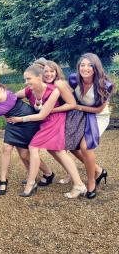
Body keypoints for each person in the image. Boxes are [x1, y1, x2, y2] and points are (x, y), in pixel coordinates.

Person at [7, 65, 86, 198]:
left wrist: (19, 119)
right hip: (44, 122)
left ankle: (31, 184)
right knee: (59, 152)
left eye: (28, 79)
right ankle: (79, 185)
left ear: (39, 77)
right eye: (25, 79)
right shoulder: (29, 91)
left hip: (54, 121)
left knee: (33, 147)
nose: (26, 82)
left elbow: (42, 115)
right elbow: (11, 97)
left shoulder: (53, 91)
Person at [65, 53, 114, 198]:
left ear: (95, 68)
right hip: (81, 113)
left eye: (89, 65)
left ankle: (91, 181)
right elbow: (64, 94)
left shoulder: (105, 85)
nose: (85, 68)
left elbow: (98, 109)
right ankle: (99, 171)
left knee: (85, 147)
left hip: (98, 115)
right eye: (82, 65)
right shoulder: (74, 79)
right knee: (71, 144)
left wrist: (76, 107)